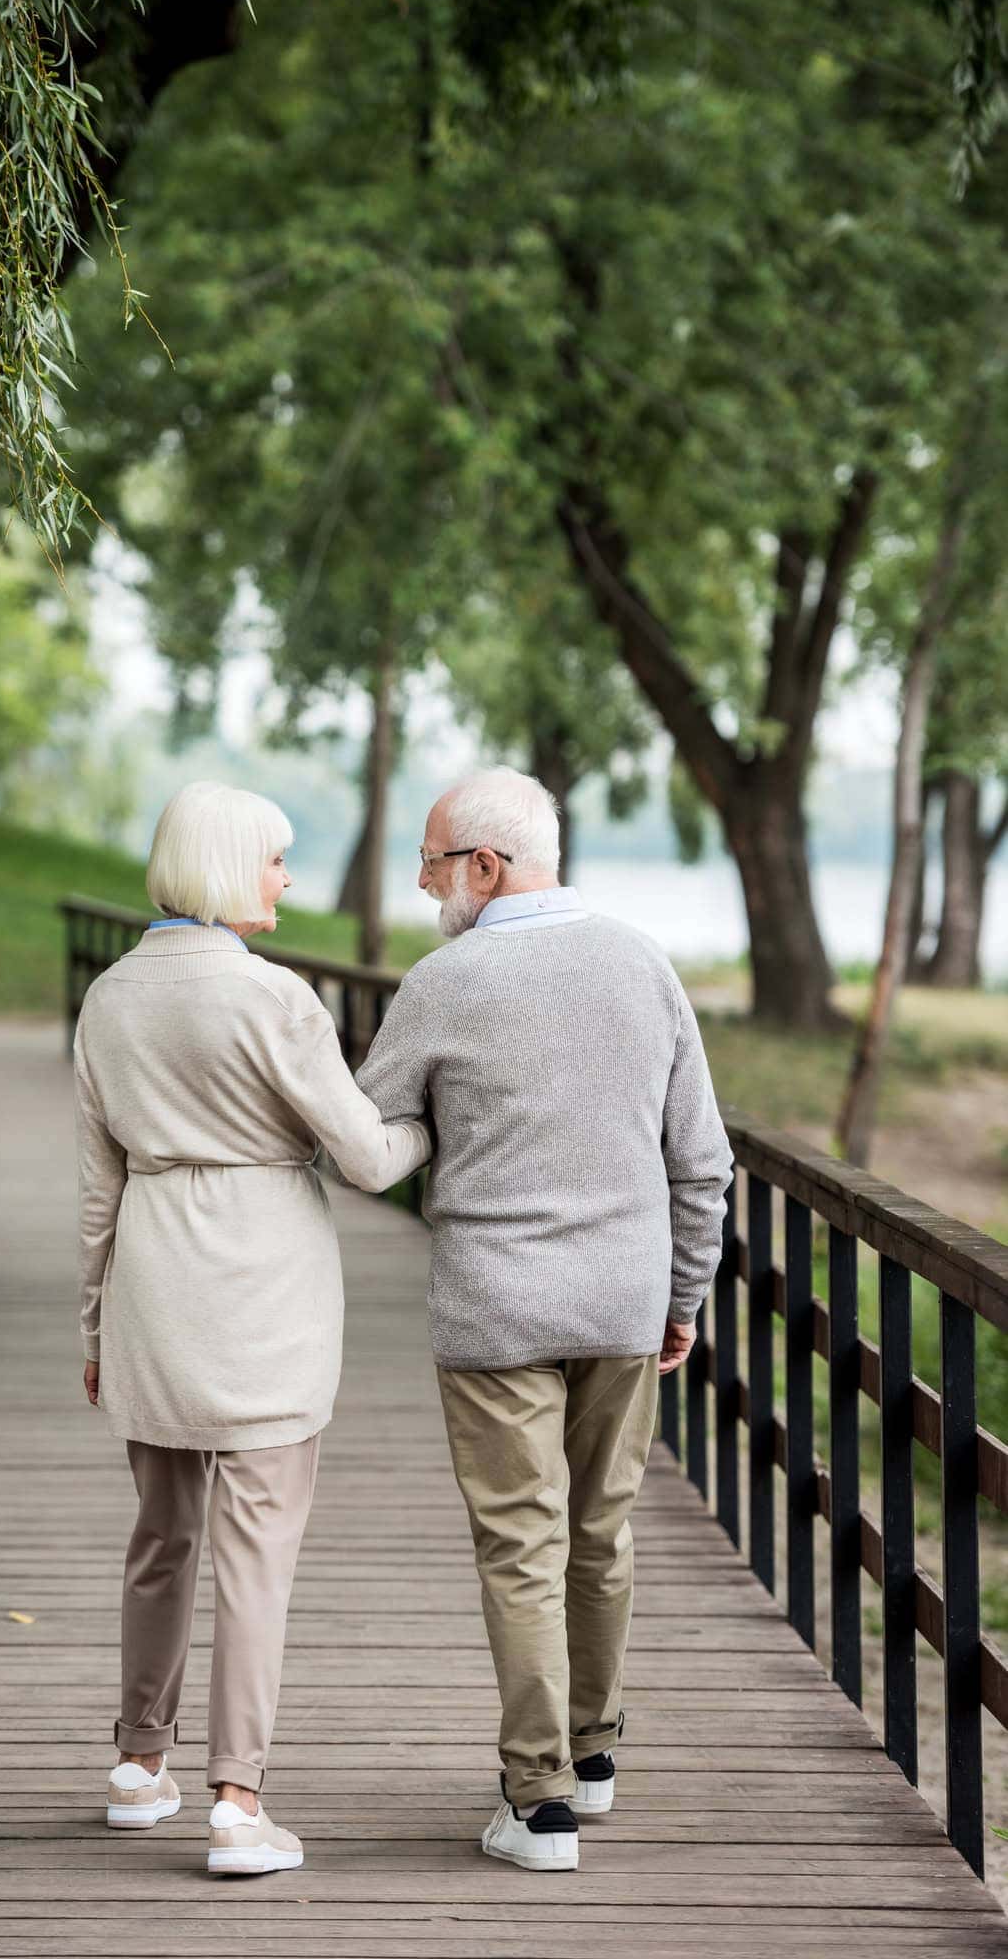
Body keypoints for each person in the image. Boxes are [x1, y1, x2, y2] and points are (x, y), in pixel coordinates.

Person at [355, 765, 733, 1873]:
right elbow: (702, 1164)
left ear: (485, 863)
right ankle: (595, 1753)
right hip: (623, 1298)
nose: (427, 885)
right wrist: (683, 1297)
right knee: (602, 1531)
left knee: (523, 1544)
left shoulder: (444, 981)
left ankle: (539, 1802)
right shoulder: (643, 963)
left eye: (432, 862)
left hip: (496, 1306)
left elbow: (366, 1126)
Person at [73, 780, 432, 1878]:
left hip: (152, 1283)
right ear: (232, 868)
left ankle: (140, 1764)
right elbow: (369, 1156)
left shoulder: (109, 999)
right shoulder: (276, 1001)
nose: (286, 878)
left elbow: (97, 1191)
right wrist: (426, 1118)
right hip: (262, 1295)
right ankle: (238, 1800)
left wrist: (94, 1326)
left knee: (161, 1535)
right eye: (274, 860)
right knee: (257, 1554)